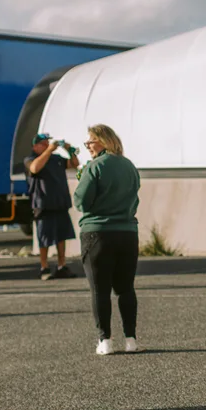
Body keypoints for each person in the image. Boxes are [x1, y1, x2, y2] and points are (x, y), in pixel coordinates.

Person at [74, 125, 142, 355]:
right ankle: (131, 339)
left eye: (91, 141)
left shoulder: (94, 167)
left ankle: (105, 340)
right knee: (126, 288)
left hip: (97, 232)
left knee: (99, 290)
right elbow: (135, 200)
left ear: (102, 141)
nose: (88, 146)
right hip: (127, 232)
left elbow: (81, 201)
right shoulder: (129, 166)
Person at [24, 133, 80, 281]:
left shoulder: (56, 159)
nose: (47, 146)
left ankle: (62, 265)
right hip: (43, 204)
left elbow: (74, 164)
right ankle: (44, 266)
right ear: (35, 146)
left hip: (59, 202)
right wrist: (49, 151)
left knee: (62, 235)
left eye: (47, 143)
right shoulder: (30, 159)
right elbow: (35, 169)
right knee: (44, 237)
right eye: (43, 144)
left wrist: (70, 150)